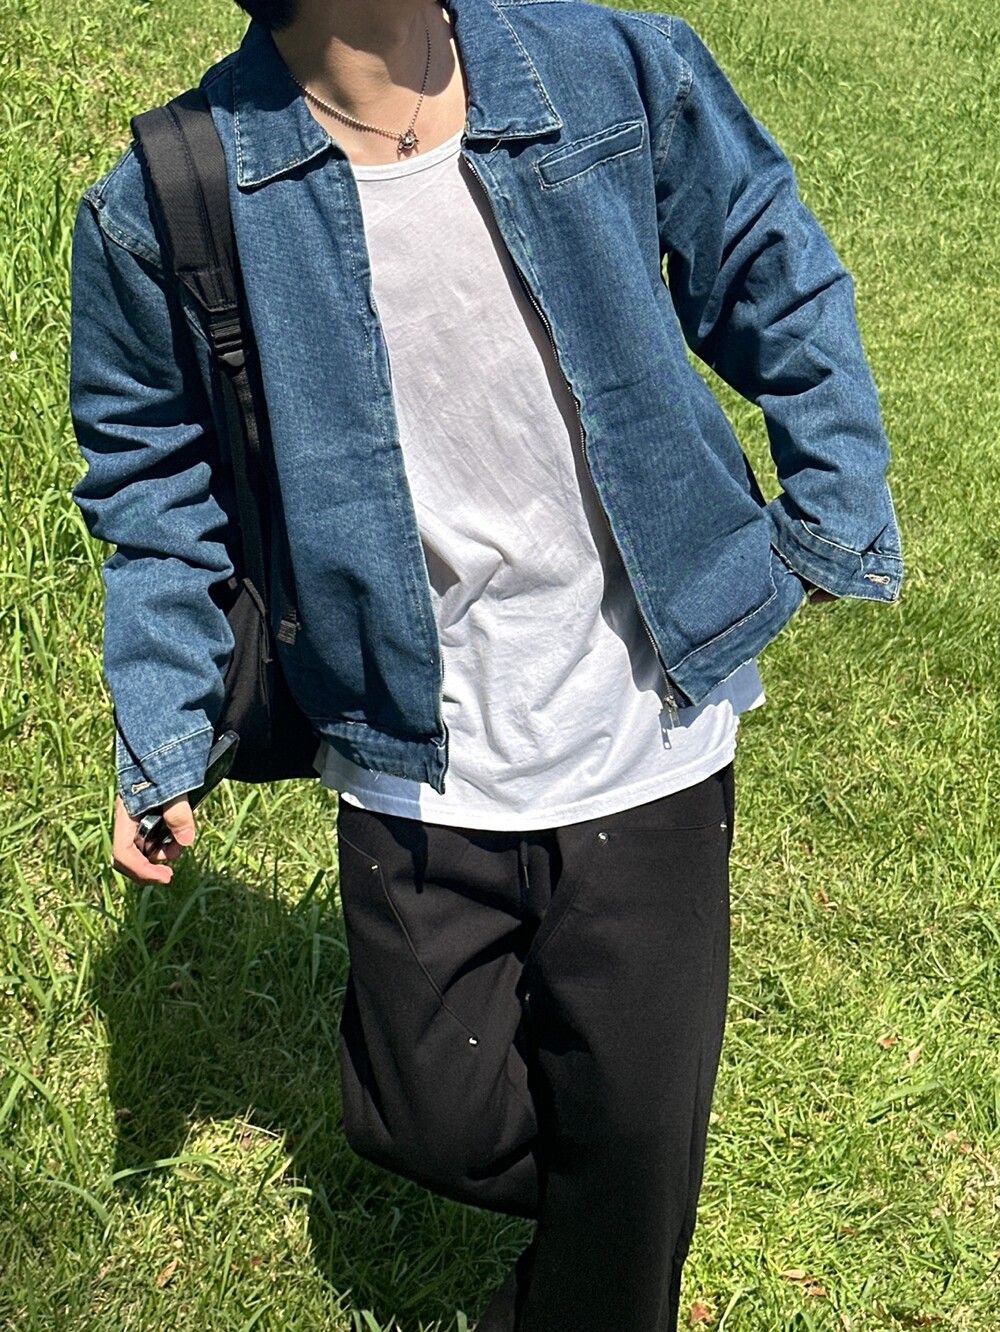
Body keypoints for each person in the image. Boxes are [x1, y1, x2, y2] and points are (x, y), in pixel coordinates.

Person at [69, 0, 903, 1327]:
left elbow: (768, 261)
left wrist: (832, 501)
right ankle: (616, 1185)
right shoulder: (170, 194)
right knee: (433, 1124)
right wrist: (164, 727)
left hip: (644, 728)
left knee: (631, 1173)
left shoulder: (610, 69)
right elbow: (155, 495)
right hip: (408, 747)